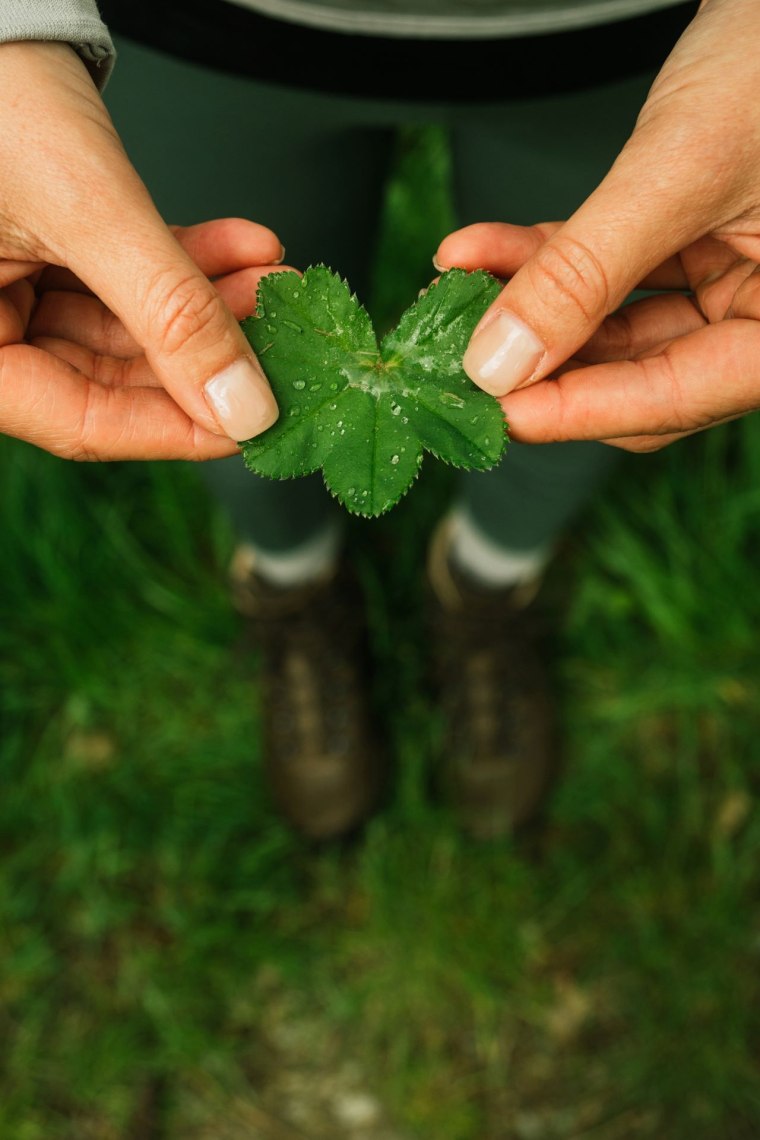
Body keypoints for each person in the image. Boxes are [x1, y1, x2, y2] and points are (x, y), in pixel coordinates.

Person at [1, 0, 758, 839]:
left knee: (597, 361)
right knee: (213, 360)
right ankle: (294, 584)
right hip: (203, 29)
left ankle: (491, 582)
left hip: (633, 36)